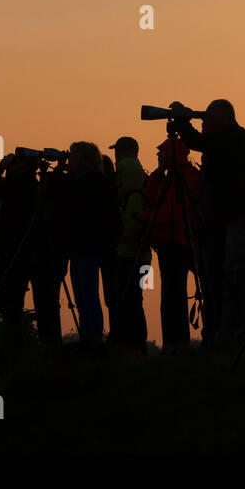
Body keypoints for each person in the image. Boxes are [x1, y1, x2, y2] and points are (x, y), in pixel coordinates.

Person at [170, 99, 245, 351]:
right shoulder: (235, 141)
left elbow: (199, 143)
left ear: (222, 119)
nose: (203, 124)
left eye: (208, 119)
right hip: (236, 221)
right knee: (235, 279)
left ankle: (238, 338)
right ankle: (228, 336)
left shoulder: (230, 142)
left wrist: (182, 120)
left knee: (242, 278)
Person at [0, 152, 62, 344]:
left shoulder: (15, 185)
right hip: (40, 252)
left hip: (13, 252)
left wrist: (1, 166)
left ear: (20, 167)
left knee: (10, 303)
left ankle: (14, 343)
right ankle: (49, 345)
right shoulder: (36, 185)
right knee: (46, 303)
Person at [42, 142, 118, 346]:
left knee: (88, 293)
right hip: (77, 246)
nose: (70, 159)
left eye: (73, 155)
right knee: (82, 295)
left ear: (83, 159)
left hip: (88, 245)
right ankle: (88, 336)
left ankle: (92, 337)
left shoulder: (92, 182)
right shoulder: (79, 180)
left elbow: (70, 201)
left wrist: (59, 175)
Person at [143, 137, 201, 353]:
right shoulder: (168, 178)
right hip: (172, 242)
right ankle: (176, 341)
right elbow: (151, 197)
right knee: (171, 294)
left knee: (172, 295)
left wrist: (142, 217)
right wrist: (157, 176)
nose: (159, 156)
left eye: (162, 153)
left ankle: (175, 342)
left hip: (179, 242)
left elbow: (168, 212)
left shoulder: (187, 178)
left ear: (173, 155)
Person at [105, 136, 150, 352]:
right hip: (143, 256)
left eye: (118, 151)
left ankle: (129, 344)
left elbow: (132, 225)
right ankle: (136, 345)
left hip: (126, 253)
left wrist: (117, 236)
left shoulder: (125, 181)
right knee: (135, 301)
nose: (116, 156)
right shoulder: (142, 180)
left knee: (124, 301)